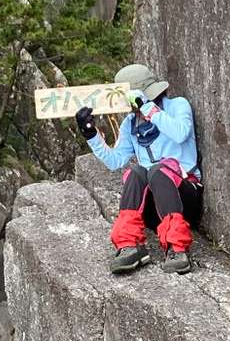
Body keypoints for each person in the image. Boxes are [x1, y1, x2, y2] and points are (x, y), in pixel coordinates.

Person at [75, 64, 202, 275]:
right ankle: (129, 244)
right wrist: (90, 134)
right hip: (153, 208)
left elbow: (180, 133)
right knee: (136, 172)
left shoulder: (177, 105)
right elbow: (115, 161)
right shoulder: (130, 124)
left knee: (158, 170)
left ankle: (177, 248)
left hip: (183, 197)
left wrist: (148, 108)